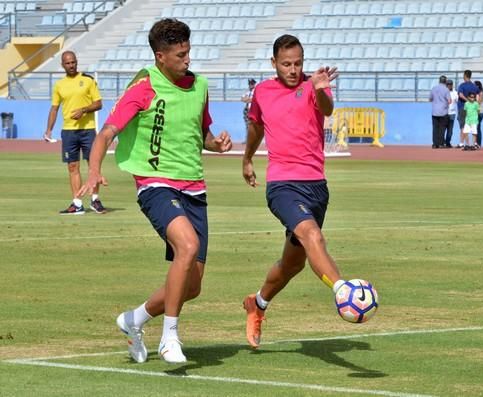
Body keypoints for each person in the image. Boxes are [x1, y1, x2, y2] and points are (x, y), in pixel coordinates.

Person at [77, 18, 233, 363]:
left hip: (195, 187)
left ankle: (134, 319)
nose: (187, 60)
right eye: (180, 55)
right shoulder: (144, 87)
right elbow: (106, 134)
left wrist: (217, 144)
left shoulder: (200, 86)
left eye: (188, 52)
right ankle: (170, 337)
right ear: (160, 56)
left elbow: (202, 133)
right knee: (187, 245)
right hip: (155, 184)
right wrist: (94, 170)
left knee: (192, 286)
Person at [241, 34, 350, 349]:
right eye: (286, 64)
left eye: (297, 63)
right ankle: (343, 290)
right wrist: (247, 159)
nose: (292, 69)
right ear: (273, 63)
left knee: (293, 264)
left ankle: (257, 303)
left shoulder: (314, 85)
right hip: (282, 185)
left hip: (316, 185)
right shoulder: (262, 91)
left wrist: (319, 88)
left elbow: (327, 110)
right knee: (312, 235)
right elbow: (257, 127)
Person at [44, 51, 106, 215]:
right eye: (68, 63)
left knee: (93, 165)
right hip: (69, 131)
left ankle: (95, 200)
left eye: (73, 62)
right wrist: (49, 129)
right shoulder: (59, 85)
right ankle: (77, 204)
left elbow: (99, 103)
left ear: (76, 62)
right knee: (72, 167)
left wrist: (84, 110)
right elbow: (54, 108)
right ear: (63, 65)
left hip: (87, 130)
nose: (71, 65)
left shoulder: (87, 80)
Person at [456, 70, 479, 148]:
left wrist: (468, 101)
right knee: (473, 127)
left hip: (463, 107)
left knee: (463, 126)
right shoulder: (474, 86)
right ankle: (473, 144)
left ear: (465, 75)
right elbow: (478, 97)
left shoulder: (462, 85)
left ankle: (463, 143)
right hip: (473, 110)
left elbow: (460, 95)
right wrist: (475, 104)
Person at [429, 75, 451, 148]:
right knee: (442, 128)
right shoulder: (446, 89)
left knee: (435, 128)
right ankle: (441, 143)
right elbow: (449, 101)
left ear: (439, 81)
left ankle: (435, 144)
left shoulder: (434, 88)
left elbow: (430, 99)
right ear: (445, 81)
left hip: (435, 111)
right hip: (443, 111)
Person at [445, 80, 458, 148]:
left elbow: (458, 101)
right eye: (448, 84)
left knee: (450, 130)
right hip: (444, 113)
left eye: (450, 84)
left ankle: (447, 142)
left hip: (452, 113)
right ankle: (442, 142)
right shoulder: (443, 92)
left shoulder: (455, 93)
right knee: (442, 129)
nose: (449, 86)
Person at [474, 80, 483, 148]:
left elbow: (479, 102)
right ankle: (477, 143)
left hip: (479, 112)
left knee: (477, 128)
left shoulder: (480, 93)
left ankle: (478, 143)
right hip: (479, 111)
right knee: (477, 127)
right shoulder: (477, 93)